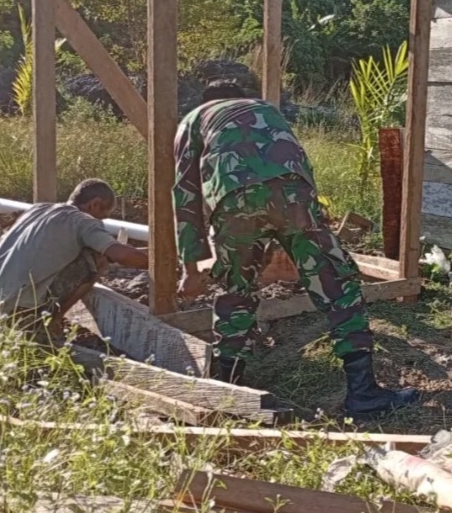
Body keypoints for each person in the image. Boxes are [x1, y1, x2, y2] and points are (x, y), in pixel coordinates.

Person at [172, 80, 419, 417]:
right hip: (294, 194)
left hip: (234, 201)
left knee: (236, 294)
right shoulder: (265, 109)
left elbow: (184, 196)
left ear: (206, 101)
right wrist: (307, 226)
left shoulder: (193, 120)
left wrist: (190, 269)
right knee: (338, 287)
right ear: (241, 97)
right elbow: (297, 160)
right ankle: (363, 393)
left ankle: (227, 393)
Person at [0, 179, 149, 342]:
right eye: (103, 216)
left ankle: (35, 317)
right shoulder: (83, 222)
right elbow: (121, 255)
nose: (101, 221)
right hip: (19, 308)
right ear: (95, 204)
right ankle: (49, 324)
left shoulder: (37, 210)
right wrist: (157, 265)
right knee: (99, 257)